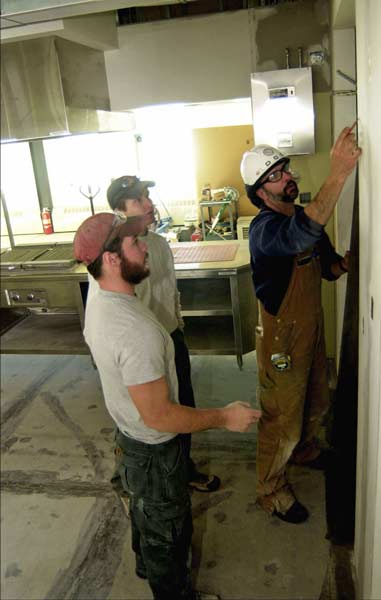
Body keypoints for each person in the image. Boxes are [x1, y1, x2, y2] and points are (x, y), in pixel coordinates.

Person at [74, 212, 261, 600]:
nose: (145, 246)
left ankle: (144, 562)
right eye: (134, 242)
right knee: (168, 533)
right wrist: (225, 416)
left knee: (144, 515)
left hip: (128, 435)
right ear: (110, 259)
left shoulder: (100, 297)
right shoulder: (133, 330)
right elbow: (160, 415)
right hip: (155, 449)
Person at [240, 126, 361, 524]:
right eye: (275, 175)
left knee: (315, 400)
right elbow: (300, 236)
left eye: (285, 169)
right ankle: (270, 489)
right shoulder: (265, 230)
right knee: (281, 418)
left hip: (309, 328)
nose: (288, 176)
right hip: (282, 337)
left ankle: (306, 450)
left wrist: (344, 265)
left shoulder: (297, 214)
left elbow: (324, 265)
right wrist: (339, 171)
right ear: (260, 191)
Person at [87, 175, 220, 493]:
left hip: (169, 339)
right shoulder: (114, 258)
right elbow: (98, 314)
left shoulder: (157, 245)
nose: (148, 204)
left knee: (181, 403)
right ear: (120, 211)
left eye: (147, 196)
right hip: (136, 348)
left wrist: (178, 329)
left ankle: (182, 467)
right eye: (138, 199)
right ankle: (130, 474)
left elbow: (169, 291)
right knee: (141, 417)